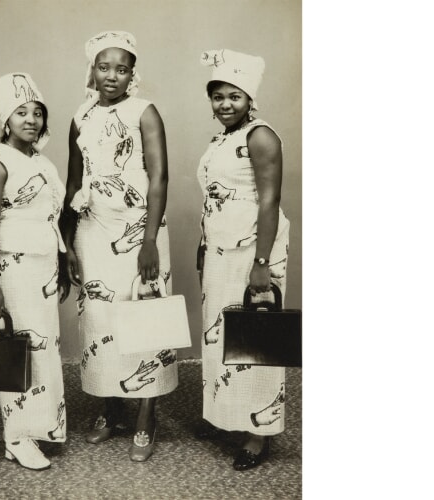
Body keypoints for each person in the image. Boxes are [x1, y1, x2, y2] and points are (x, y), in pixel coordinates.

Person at [61, 31, 177, 462]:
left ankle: (146, 415)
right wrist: (68, 243)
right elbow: (74, 182)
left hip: (138, 231)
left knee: (144, 319)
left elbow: (159, 177)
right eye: (104, 67)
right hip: (93, 231)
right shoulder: (80, 117)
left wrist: (149, 240)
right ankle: (111, 407)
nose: (112, 76)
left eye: (122, 69)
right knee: (100, 320)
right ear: (92, 70)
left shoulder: (144, 112)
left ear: (133, 74)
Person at [195, 49, 291, 471]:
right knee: (222, 339)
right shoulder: (223, 139)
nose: (225, 104)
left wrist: (261, 263)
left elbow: (269, 201)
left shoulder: (261, 136)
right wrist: (204, 245)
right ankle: (228, 416)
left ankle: (257, 434)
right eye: (218, 97)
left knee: (255, 341)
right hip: (221, 251)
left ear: (250, 97)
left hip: (253, 252)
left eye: (234, 96)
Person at [0, 73, 69, 470]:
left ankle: (38, 427)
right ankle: (15, 437)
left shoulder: (41, 162)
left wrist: (61, 263)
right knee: (17, 352)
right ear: (5, 118)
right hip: (11, 271)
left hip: (42, 268)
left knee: (42, 350)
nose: (31, 119)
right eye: (21, 112)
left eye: (37, 112)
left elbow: (50, 218)